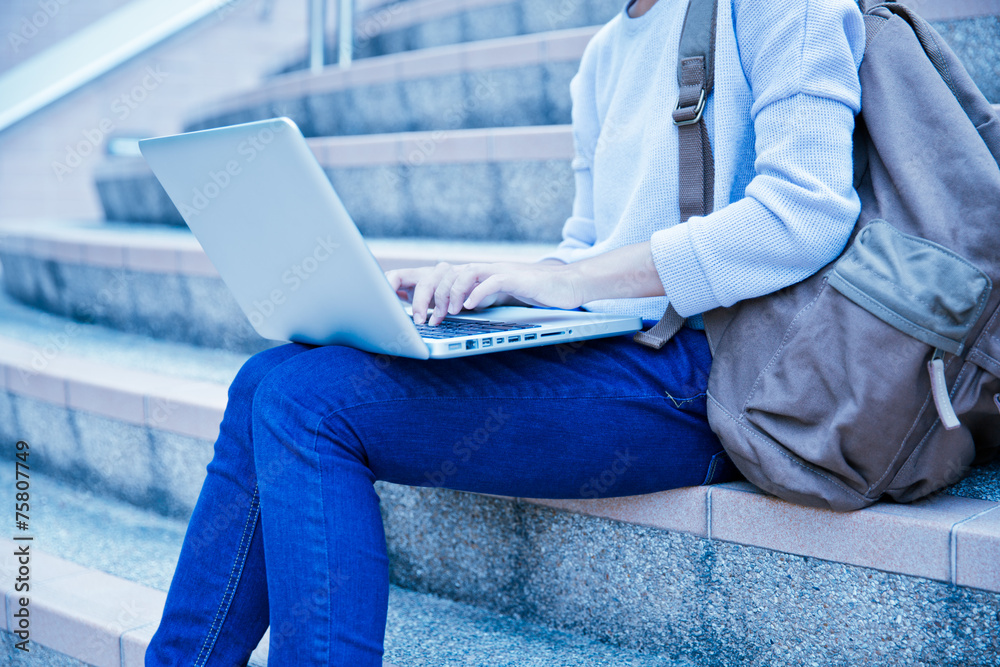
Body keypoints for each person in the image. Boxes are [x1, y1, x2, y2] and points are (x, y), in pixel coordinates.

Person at [144, 0, 865, 664]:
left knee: (310, 401)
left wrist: (568, 281)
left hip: (719, 375)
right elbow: (589, 245)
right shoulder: (607, 53)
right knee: (263, 380)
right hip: (625, 348)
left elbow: (806, 211)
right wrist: (498, 285)